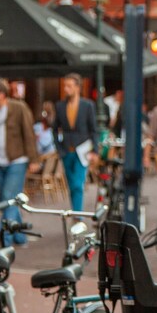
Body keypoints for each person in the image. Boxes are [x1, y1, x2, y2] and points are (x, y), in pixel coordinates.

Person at [0, 78, 39, 246]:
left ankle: (4, 239)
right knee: (11, 199)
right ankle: (20, 236)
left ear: (1, 94)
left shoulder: (18, 107)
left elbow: (28, 133)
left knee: (7, 198)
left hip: (17, 159)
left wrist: (33, 158)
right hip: (0, 161)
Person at [53, 74, 98, 211]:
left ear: (78, 87)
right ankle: (75, 213)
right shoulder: (60, 106)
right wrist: (60, 149)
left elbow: (94, 129)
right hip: (67, 151)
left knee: (78, 184)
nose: (66, 89)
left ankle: (78, 215)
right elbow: (54, 129)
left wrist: (95, 151)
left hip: (82, 150)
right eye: (65, 86)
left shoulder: (87, 105)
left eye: (69, 86)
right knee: (72, 185)